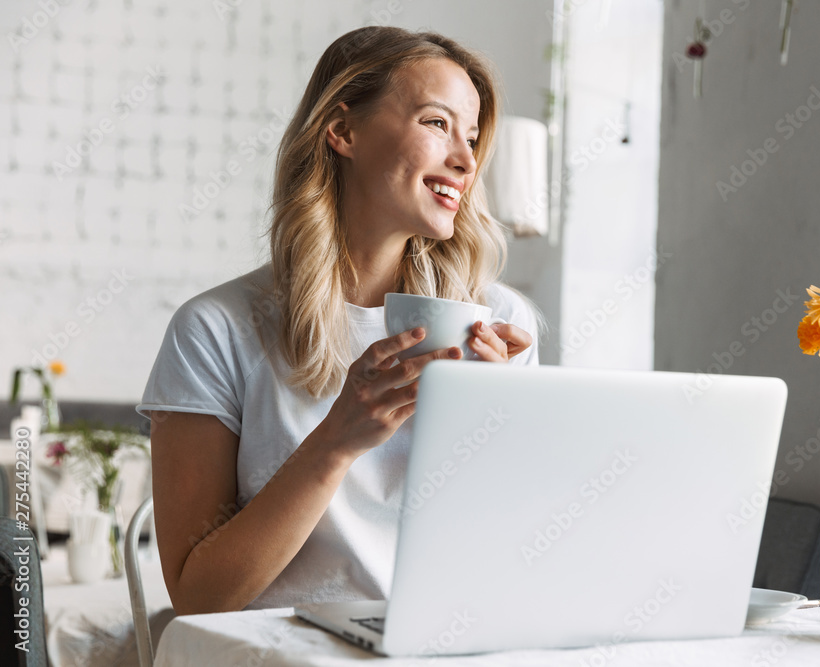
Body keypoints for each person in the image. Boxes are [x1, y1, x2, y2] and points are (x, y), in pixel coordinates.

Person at [136, 26, 541, 615]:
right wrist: (335, 442)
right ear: (343, 130)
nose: (465, 159)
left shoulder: (498, 322)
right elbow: (199, 597)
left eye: (473, 137)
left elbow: (518, 557)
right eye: (436, 123)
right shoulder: (214, 330)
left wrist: (495, 432)